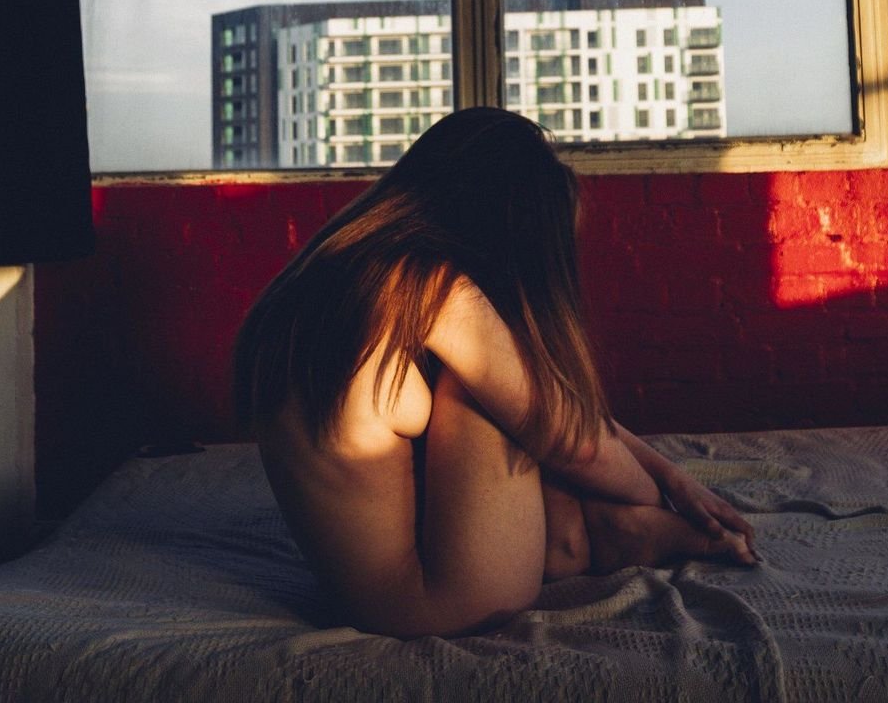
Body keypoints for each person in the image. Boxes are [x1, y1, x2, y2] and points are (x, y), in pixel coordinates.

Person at [233, 105, 760, 639]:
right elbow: (571, 438)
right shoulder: (423, 285)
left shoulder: (329, 273)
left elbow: (544, 403)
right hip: (442, 604)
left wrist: (672, 475)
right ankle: (589, 536)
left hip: (367, 595)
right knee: (489, 394)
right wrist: (646, 493)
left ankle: (597, 532)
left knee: (509, 392)